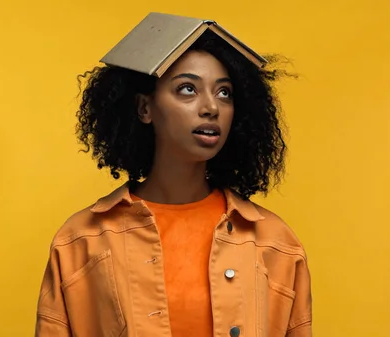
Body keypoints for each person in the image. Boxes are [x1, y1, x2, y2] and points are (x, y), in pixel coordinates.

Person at [35, 12, 312, 337]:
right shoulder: (81, 242)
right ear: (144, 108)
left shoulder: (276, 244)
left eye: (224, 93)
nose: (211, 107)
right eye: (187, 89)